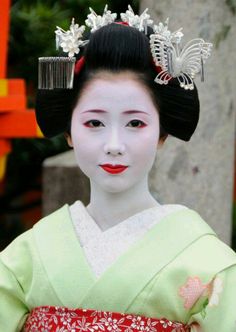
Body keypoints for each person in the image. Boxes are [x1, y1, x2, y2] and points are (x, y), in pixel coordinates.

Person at [0, 6, 236, 332]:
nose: (114, 143)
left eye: (135, 122)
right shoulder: (25, 258)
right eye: (94, 122)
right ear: (69, 130)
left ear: (162, 133)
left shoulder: (207, 263)